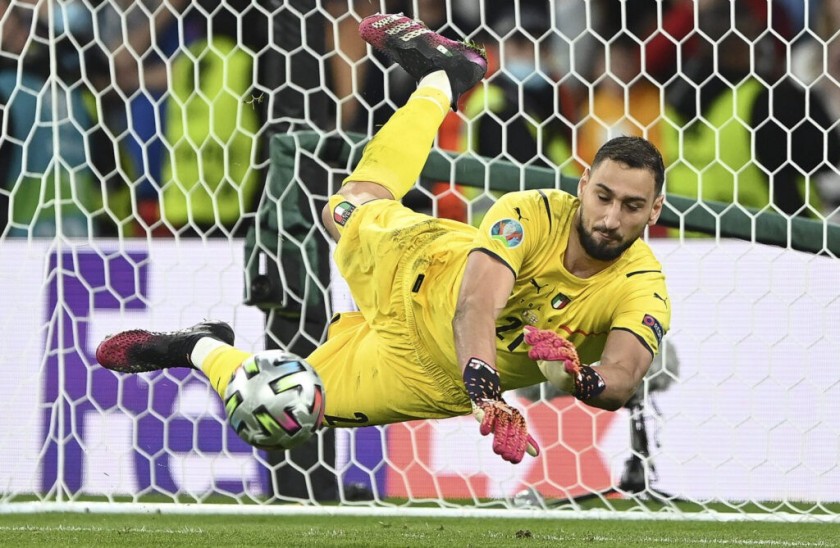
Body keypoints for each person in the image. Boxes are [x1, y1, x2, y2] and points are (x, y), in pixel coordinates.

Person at [95, 13, 671, 465]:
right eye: (603, 197)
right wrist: (486, 389)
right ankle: (445, 77)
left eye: (632, 206)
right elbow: (476, 301)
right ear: (583, 184)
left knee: (283, 414)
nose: (611, 217)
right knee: (346, 207)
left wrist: (582, 377)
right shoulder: (534, 212)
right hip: (418, 267)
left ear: (655, 210)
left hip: (421, 374)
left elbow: (621, 376)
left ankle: (195, 346)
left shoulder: (641, 285)